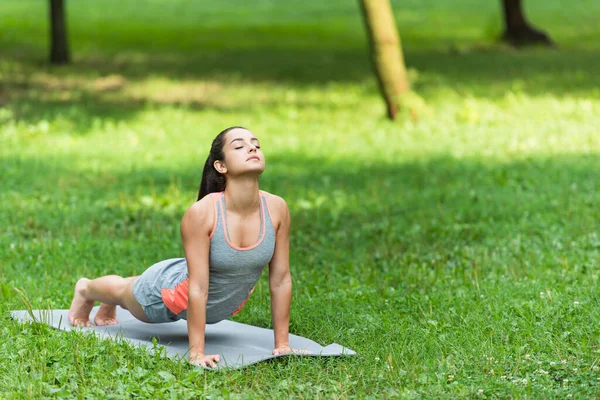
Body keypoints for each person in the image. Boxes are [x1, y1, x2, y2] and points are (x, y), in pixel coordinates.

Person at [68, 126, 296, 368]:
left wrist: (282, 345)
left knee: (131, 286)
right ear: (221, 166)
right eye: (239, 146)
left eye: (256, 145)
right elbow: (196, 287)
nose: (252, 148)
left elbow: (280, 280)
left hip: (216, 303)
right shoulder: (202, 213)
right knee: (127, 293)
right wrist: (196, 353)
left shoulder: (276, 208)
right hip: (168, 296)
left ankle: (110, 300)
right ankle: (86, 289)